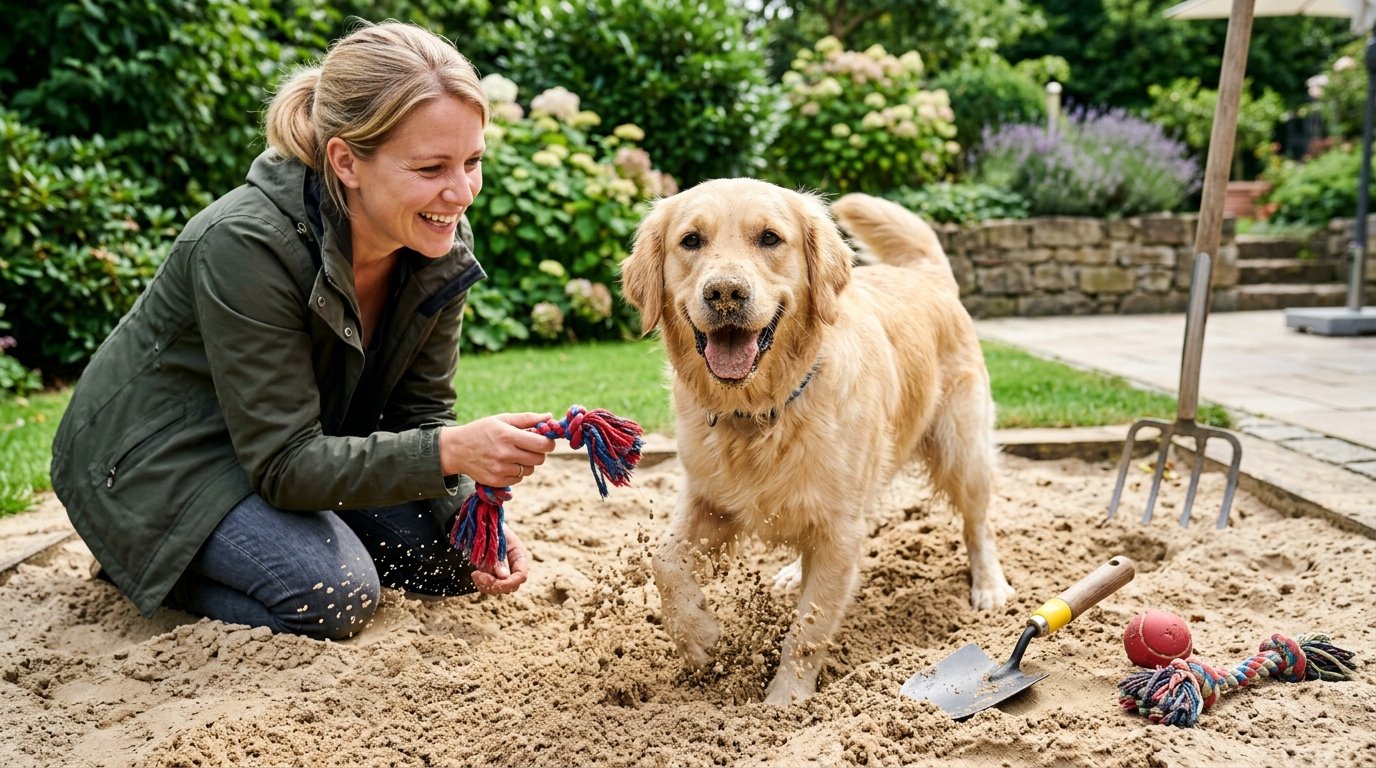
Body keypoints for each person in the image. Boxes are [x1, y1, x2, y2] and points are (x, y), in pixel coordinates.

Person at [49, 20, 556, 640]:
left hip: (283, 446)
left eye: (472, 161)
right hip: (157, 462)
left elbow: (419, 414)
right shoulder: (243, 243)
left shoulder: (436, 239)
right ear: (346, 160)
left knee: (455, 561)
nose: (460, 193)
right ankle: (146, 552)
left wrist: (475, 518)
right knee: (334, 595)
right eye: (430, 167)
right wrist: (452, 452)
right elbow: (287, 465)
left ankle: (256, 546)